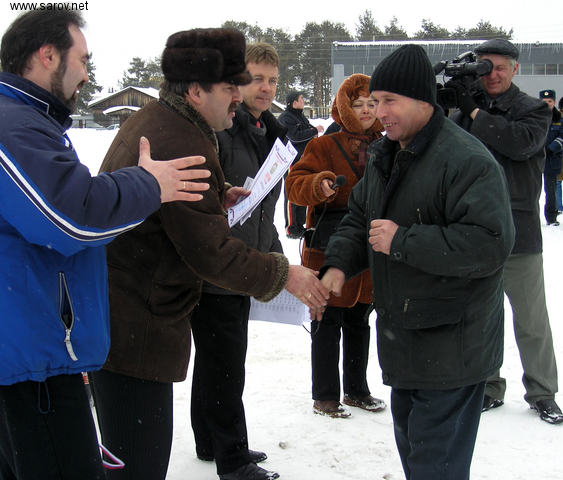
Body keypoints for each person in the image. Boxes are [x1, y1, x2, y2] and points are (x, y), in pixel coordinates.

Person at [89, 28, 329, 480]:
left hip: (123, 318)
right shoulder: (181, 141)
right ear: (196, 91)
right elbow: (211, 253)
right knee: (138, 464)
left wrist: (216, 197)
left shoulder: (166, 121)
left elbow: (161, 212)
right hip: (135, 327)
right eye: (230, 86)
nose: (239, 96)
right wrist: (284, 274)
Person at [0, 10, 211, 480]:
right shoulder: (14, 126)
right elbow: (71, 218)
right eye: (83, 59)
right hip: (33, 366)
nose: (86, 73)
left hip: (28, 355)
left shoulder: (26, 121)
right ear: (47, 55)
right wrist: (148, 185)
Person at [318, 44, 515, 479]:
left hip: (452, 347)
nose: (378, 112)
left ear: (423, 100)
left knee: (434, 467)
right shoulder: (386, 154)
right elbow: (359, 219)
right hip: (406, 343)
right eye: (374, 101)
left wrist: (403, 241)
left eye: (389, 101)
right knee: (417, 457)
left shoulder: (466, 160)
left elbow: (490, 244)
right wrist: (337, 266)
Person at [448, 39, 562, 424]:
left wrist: (473, 111)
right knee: (481, 317)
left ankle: (542, 391)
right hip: (473, 230)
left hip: (519, 230)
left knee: (531, 320)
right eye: (485, 67)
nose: (492, 75)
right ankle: (488, 385)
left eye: (500, 67)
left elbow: (519, 143)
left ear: (515, 69)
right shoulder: (463, 109)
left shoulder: (533, 109)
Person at [189, 42, 287, 477]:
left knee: (216, 361)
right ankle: (232, 458)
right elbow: (207, 199)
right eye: (256, 79)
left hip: (245, 263)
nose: (265, 88)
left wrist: (274, 253)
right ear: (237, 81)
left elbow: (264, 208)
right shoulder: (221, 132)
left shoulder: (270, 134)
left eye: (273, 81)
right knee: (226, 365)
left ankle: (209, 441)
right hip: (219, 267)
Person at [286, 74, 386, 418]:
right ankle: (326, 395)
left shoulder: (388, 145)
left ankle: (357, 390)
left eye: (372, 103)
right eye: (358, 104)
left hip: (369, 247)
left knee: (360, 319)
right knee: (325, 321)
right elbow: (294, 185)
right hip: (327, 244)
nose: (366, 110)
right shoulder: (324, 145)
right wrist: (319, 184)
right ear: (344, 108)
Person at [278, 90, 325, 239]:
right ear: (294, 102)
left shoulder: (300, 116)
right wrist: (313, 131)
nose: (304, 101)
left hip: (303, 159)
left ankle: (300, 225)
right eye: (301, 99)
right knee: (292, 193)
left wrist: (313, 132)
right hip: (291, 161)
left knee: (302, 191)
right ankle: (291, 228)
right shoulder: (286, 117)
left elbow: (308, 130)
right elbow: (294, 136)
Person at [540, 90, 563, 226]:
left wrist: (550, 149)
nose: (547, 104)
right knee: (532, 191)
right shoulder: (534, 118)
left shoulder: (560, 121)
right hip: (535, 159)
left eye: (550, 101)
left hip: (552, 159)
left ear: (554, 102)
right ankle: (532, 217)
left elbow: (562, 137)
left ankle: (552, 217)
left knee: (551, 191)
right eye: (544, 101)